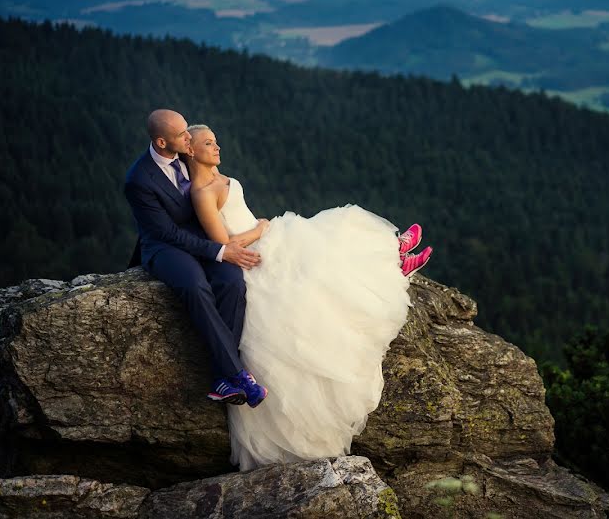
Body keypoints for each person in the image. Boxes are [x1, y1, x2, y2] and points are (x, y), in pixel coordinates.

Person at [184, 123, 432, 468]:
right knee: (317, 261)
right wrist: (260, 228)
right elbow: (223, 245)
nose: (217, 146)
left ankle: (391, 254)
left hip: (263, 236)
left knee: (329, 230)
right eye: (208, 143)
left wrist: (259, 226)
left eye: (215, 140)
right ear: (190, 150)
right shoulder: (202, 192)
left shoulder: (221, 179)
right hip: (253, 253)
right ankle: (390, 265)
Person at [124, 109, 268, 408]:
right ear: (162, 143)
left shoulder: (187, 155)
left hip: (200, 237)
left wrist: (229, 240)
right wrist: (220, 250)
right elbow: (167, 233)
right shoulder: (139, 180)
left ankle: (220, 379)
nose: (188, 137)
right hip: (165, 247)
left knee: (232, 282)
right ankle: (237, 374)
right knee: (195, 286)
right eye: (181, 135)